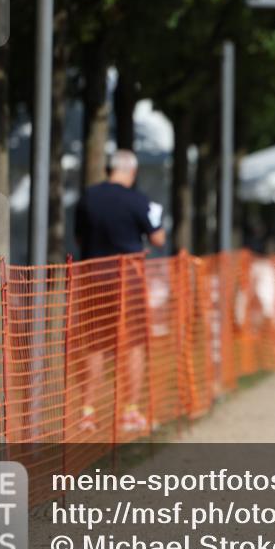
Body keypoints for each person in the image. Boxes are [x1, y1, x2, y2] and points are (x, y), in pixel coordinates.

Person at [73, 149, 165, 434]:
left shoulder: (88, 197)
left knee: (95, 344)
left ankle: (87, 412)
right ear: (132, 172)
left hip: (93, 279)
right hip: (128, 280)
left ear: (108, 168)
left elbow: (79, 237)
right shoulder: (138, 200)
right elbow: (158, 238)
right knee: (134, 344)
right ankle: (130, 411)